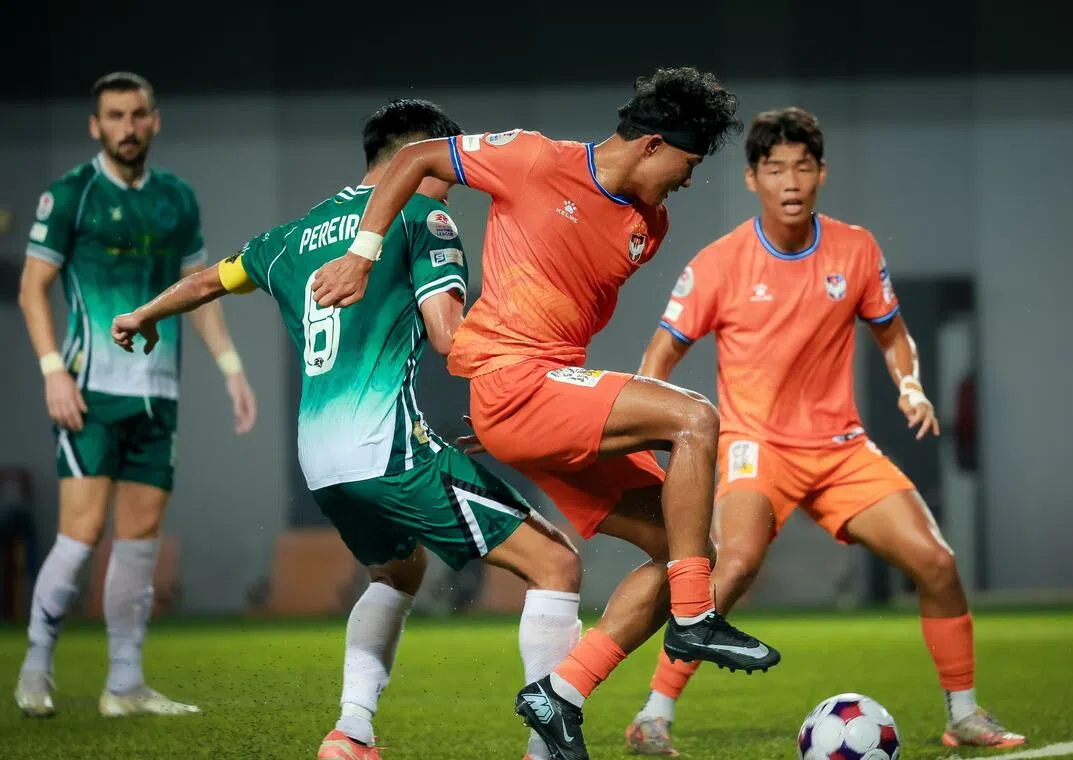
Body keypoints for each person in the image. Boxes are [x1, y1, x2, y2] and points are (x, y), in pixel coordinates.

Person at [309, 68, 780, 760]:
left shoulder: (648, 227)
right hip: (517, 388)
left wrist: (534, 422)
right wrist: (363, 252)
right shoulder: (532, 157)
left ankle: (562, 692)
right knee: (695, 418)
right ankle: (694, 621)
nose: (689, 179)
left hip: (541, 400)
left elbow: (553, 317)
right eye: (689, 161)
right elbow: (414, 159)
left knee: (689, 552)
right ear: (653, 145)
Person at [110, 99, 583, 760]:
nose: (459, 177)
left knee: (397, 575)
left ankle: (351, 732)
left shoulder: (290, 237)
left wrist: (144, 314)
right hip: (388, 450)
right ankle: (548, 751)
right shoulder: (424, 215)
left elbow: (210, 279)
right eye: (449, 163)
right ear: (412, 157)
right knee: (555, 561)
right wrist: (535, 361)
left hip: (323, 463)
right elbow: (451, 338)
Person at [624, 107, 1025, 755]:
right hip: (756, 445)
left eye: (803, 166)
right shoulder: (720, 263)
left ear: (821, 174)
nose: (791, 180)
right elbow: (659, 356)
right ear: (753, 178)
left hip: (840, 450)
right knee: (737, 563)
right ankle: (653, 715)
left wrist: (911, 383)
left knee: (938, 563)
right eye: (775, 167)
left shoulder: (856, 249)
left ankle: (965, 715)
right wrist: (654, 423)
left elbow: (892, 334)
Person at [15, 71, 256, 719]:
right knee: (83, 531)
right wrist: (51, 371)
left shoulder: (177, 198)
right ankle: (36, 665)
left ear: (156, 120)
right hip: (88, 391)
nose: (127, 127)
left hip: (157, 395)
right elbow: (32, 287)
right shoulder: (70, 195)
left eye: (137, 114)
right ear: (96, 126)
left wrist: (231, 367)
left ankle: (124, 685)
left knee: (141, 536)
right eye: (114, 116)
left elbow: (198, 293)